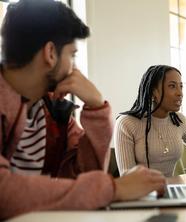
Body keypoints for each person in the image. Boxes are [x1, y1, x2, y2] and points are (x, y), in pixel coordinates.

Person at [0, 0, 165, 219]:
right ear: (50, 53)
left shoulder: (53, 111)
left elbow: (85, 176)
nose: (74, 67)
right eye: (73, 55)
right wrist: (113, 188)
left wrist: (97, 109)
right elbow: (5, 193)